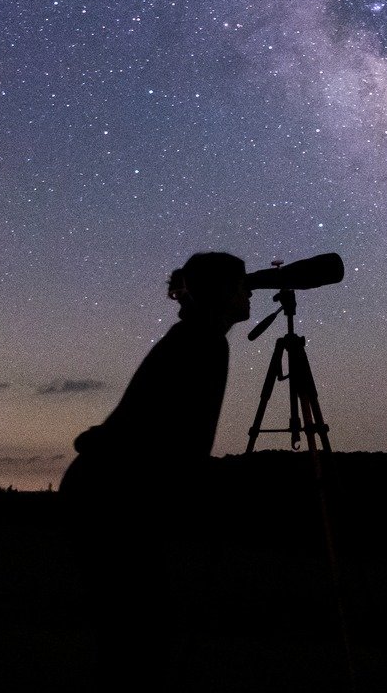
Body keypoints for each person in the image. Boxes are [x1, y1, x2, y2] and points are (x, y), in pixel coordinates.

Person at [60, 251, 251, 688]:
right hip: (110, 497)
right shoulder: (202, 341)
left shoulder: (194, 336)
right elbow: (181, 440)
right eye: (241, 285)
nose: (249, 294)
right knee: (138, 638)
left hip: (107, 491)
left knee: (132, 636)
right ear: (222, 293)